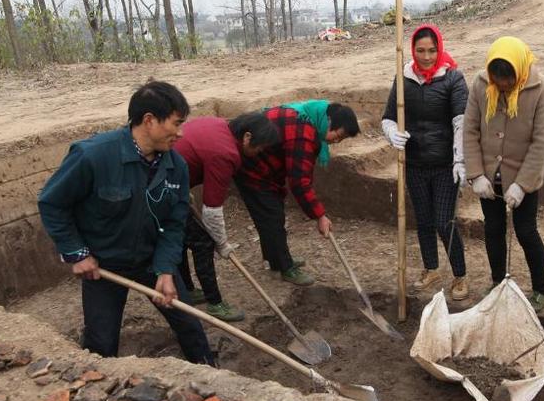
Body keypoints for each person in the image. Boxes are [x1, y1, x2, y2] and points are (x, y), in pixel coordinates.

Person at [37, 81, 214, 365]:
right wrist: (77, 253)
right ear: (149, 121)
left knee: (190, 324)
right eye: (176, 123)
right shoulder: (93, 156)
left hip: (151, 260)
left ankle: (211, 374)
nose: (180, 133)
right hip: (105, 266)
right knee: (102, 342)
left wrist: (166, 269)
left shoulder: (176, 167)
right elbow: (52, 203)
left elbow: (174, 224)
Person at [463, 36, 544, 313]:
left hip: (522, 178)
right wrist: (476, 174)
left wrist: (522, 185)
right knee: (493, 230)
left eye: (508, 81)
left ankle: (540, 289)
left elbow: (541, 141)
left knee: (526, 232)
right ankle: (497, 282)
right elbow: (470, 130)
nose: (502, 86)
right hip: (490, 177)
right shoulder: (481, 85)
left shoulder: (541, 88)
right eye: (497, 81)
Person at [381, 24, 470, 300]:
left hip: (445, 165)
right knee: (424, 220)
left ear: (439, 48)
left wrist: (460, 159)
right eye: (421, 51)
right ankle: (431, 268)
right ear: (412, 50)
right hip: (415, 164)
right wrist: (392, 134)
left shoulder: (453, 79)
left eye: (432, 50)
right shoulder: (404, 78)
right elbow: (388, 116)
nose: (427, 56)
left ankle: (460, 275)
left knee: (444, 222)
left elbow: (461, 123)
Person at [235, 100, 360, 286]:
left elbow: (301, 172)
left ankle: (274, 258)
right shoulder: (303, 133)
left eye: (341, 139)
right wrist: (319, 215)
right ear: (329, 122)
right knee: (270, 215)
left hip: (267, 167)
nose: (335, 141)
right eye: (338, 135)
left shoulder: (313, 115)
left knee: (272, 212)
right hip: (252, 168)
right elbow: (299, 182)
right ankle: (284, 267)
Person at [173, 111, 280, 322]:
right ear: (247, 137)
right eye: (260, 147)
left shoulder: (220, 125)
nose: (259, 153)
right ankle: (214, 303)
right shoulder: (225, 153)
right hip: (164, 188)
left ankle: (187, 290)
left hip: (170, 183)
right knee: (202, 241)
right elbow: (212, 210)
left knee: (181, 237)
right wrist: (221, 243)